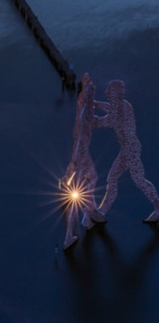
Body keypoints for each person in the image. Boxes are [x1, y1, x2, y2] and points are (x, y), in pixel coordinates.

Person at [96, 80, 159, 222]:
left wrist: (93, 120)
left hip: (131, 149)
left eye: (110, 92)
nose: (107, 94)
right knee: (113, 177)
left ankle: (157, 206)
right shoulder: (121, 105)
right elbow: (109, 109)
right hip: (127, 149)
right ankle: (102, 211)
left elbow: (108, 120)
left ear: (116, 94)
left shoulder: (123, 107)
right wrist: (95, 104)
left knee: (139, 180)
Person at [62, 73, 105, 249]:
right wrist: (73, 164)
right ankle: (68, 237)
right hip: (81, 155)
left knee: (93, 180)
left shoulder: (84, 111)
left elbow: (98, 122)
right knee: (76, 195)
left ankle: (89, 215)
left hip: (83, 154)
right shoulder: (84, 115)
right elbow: (79, 139)